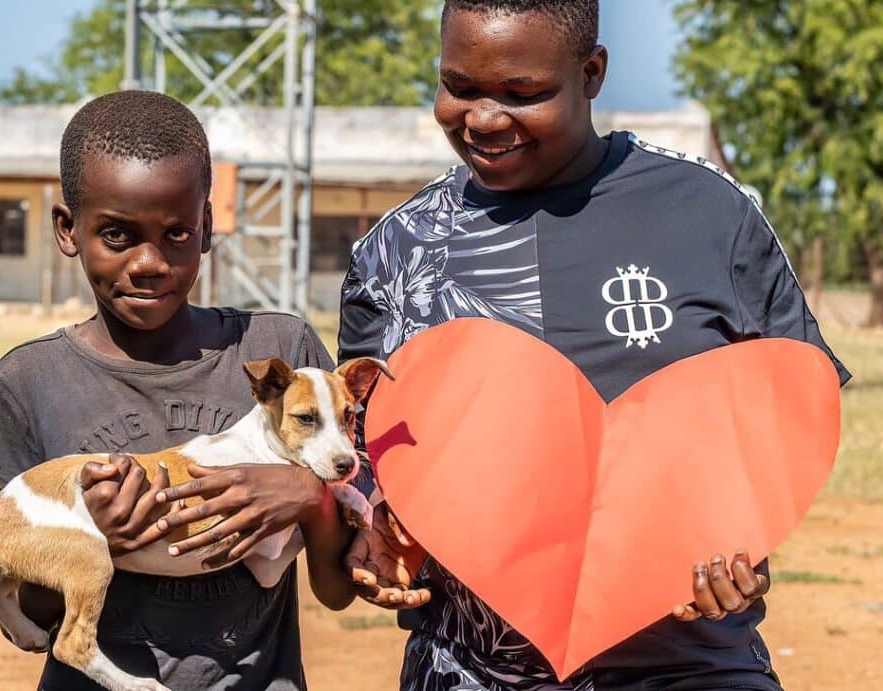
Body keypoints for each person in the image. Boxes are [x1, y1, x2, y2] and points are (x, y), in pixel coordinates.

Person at [337, 1, 851, 690]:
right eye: (460, 87)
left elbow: (786, 410)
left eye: (523, 94)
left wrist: (749, 542)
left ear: (592, 72)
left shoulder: (709, 214)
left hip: (690, 667)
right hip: (468, 670)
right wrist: (373, 538)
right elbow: (364, 464)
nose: (485, 118)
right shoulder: (395, 255)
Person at [0, 90, 354, 691]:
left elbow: (337, 587)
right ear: (68, 230)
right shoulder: (28, 382)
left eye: (176, 234)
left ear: (207, 228)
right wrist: (97, 536)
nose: (149, 262)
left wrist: (306, 496)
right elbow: (30, 618)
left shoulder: (279, 353)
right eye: (116, 235)